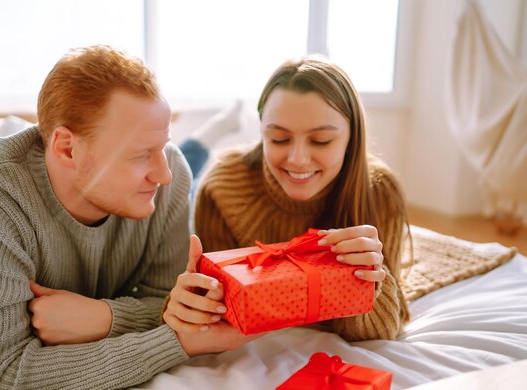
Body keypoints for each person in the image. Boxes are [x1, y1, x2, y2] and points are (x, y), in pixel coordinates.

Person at [0, 45, 252, 390]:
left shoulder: (172, 175)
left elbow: (169, 301)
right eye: (139, 155)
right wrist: (175, 342)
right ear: (68, 149)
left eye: (162, 147)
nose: (163, 174)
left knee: (186, 160)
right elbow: (1, 377)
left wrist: (105, 318)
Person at [163, 55, 411, 341]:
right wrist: (191, 305)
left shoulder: (379, 191)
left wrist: (372, 283)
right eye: (279, 139)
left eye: (321, 141)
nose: (298, 160)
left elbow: (385, 331)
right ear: (261, 133)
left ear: (351, 139)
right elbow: (217, 320)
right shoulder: (221, 188)